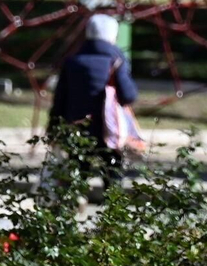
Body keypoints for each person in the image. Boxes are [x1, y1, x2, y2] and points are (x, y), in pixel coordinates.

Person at [48, 13, 140, 172]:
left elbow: (60, 101)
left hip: (78, 130)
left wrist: (53, 128)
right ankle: (109, 196)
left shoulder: (72, 62)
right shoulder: (117, 61)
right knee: (113, 176)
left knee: (78, 174)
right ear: (113, 35)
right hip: (110, 131)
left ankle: (79, 195)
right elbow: (129, 96)